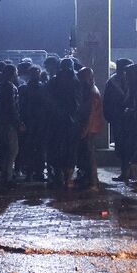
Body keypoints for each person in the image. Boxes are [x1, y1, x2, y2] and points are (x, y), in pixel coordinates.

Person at [46, 58, 82, 187]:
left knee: (56, 148)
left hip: (56, 121)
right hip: (72, 122)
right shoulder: (77, 81)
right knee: (71, 149)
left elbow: (47, 101)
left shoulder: (53, 81)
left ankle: (58, 177)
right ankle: (68, 179)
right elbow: (80, 102)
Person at [103, 58, 133, 182]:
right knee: (121, 146)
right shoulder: (112, 82)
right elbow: (106, 101)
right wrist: (109, 116)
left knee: (130, 146)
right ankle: (126, 171)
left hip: (130, 119)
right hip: (119, 119)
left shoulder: (134, 82)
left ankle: (129, 172)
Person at [18, 65, 48, 181]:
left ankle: (30, 172)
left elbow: (20, 106)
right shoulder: (43, 88)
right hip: (38, 122)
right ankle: (37, 172)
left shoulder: (23, 88)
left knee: (29, 148)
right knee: (38, 148)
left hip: (30, 122)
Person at [76, 67, 104, 189]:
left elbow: (90, 114)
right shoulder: (92, 89)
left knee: (88, 154)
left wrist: (84, 130)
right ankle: (90, 179)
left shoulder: (91, 92)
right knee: (87, 153)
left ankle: (92, 181)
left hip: (89, 128)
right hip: (91, 127)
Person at [0, 64, 21, 185]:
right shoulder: (11, 87)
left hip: (0, 122)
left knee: (4, 150)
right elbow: (12, 107)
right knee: (12, 150)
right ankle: (8, 177)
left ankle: (3, 173)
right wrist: (18, 122)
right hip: (9, 123)